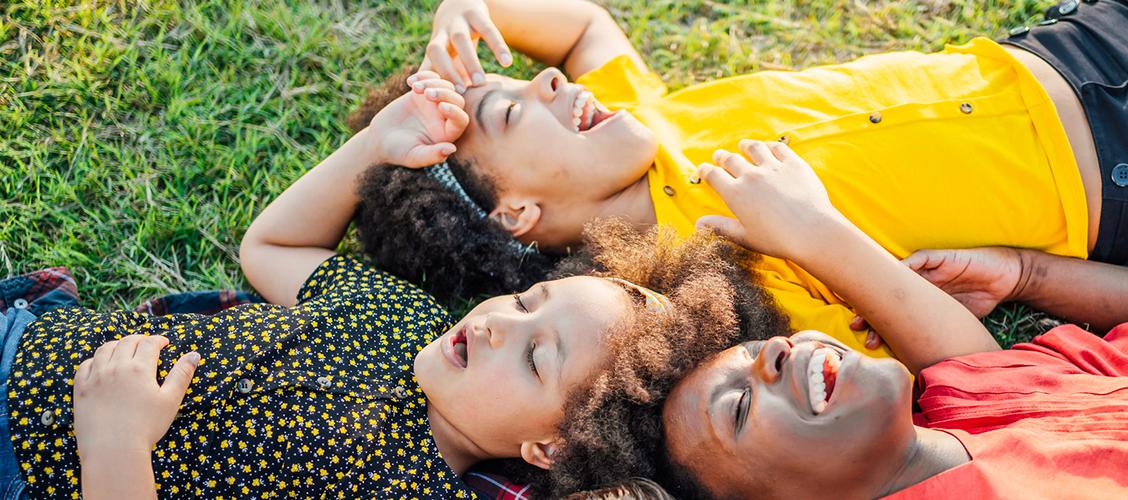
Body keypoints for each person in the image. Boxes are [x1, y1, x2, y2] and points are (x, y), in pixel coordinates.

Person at [351, 0, 1128, 358]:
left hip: (1086, 42)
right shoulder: (710, 284)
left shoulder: (640, 115)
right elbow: (971, 370)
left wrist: (472, 17)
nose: (546, 86)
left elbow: (579, 20)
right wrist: (816, 233)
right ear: (520, 212)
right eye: (511, 108)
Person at [0, 73, 787, 498]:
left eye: (536, 359)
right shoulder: (398, 316)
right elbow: (271, 247)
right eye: (523, 303)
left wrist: (115, 438)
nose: (495, 327)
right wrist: (375, 147)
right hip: (25, 338)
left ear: (547, 447)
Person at [645, 139, 1128, 497]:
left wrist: (1031, 274)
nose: (771, 357)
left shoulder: (996, 394)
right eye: (739, 406)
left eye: (754, 351)